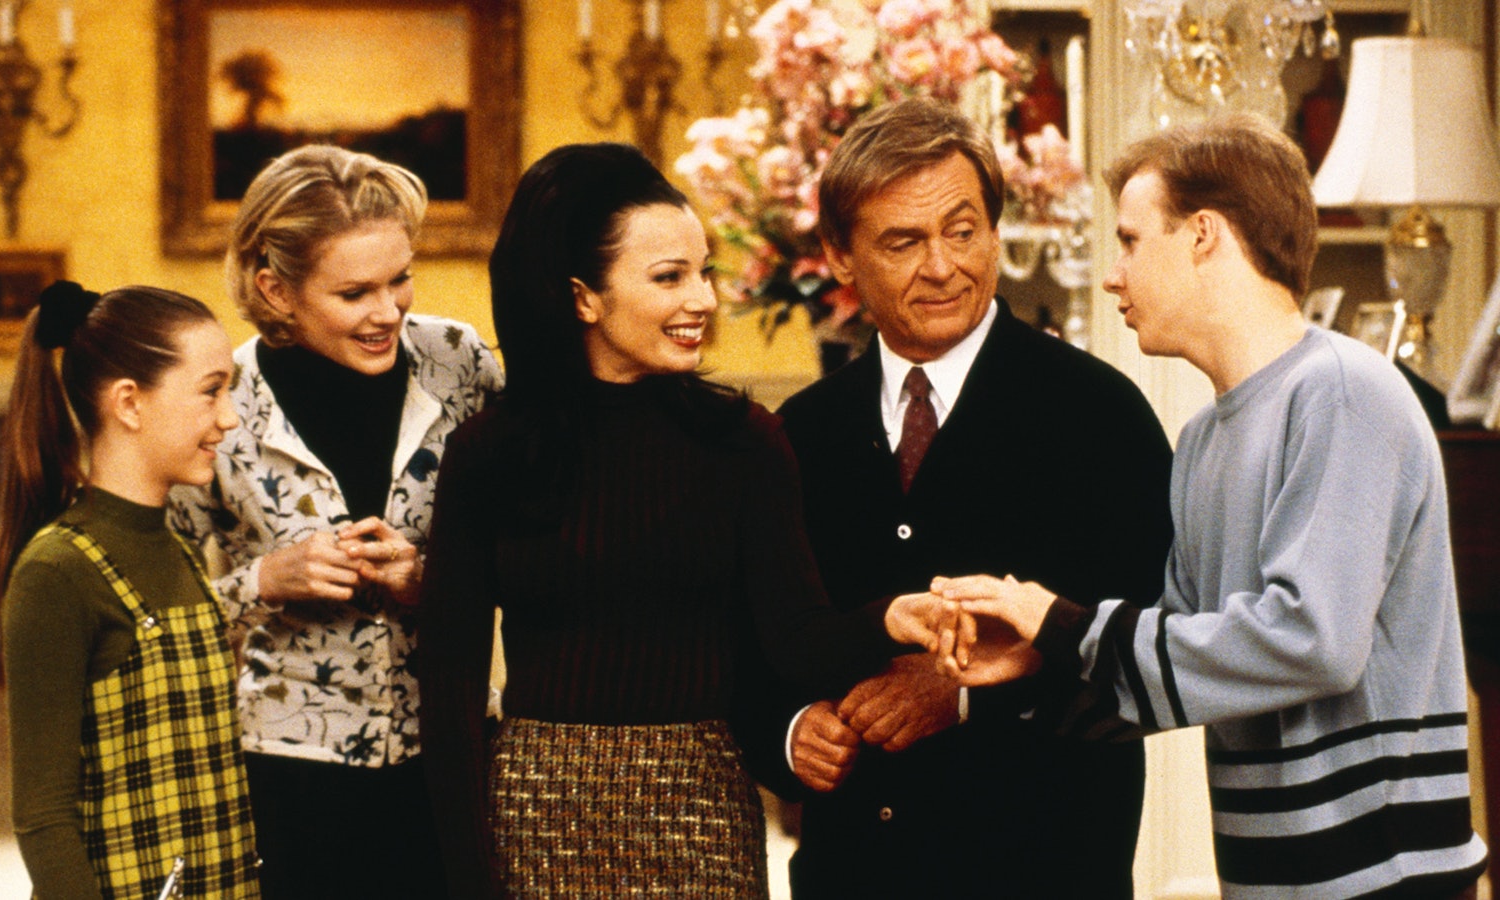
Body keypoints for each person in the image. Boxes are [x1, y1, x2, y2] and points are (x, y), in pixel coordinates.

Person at [915, 114, 1489, 898]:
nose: (1113, 275)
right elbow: (1191, 657)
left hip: (1383, 878)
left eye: (1130, 240)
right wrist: (1040, 665)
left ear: (1204, 236)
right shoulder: (1201, 440)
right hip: (1270, 880)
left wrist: (1065, 624)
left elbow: (1314, 641)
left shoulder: (1344, 390)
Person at [418, 142, 921, 898]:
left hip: (700, 811)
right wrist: (469, 883)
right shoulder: (488, 453)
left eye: (704, 272)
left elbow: (798, 640)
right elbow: (449, 686)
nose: (704, 300)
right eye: (670, 277)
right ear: (584, 297)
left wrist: (894, 617)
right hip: (535, 815)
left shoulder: (747, 442)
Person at [737, 97, 1176, 898]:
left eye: (963, 230)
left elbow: (1156, 646)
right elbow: (747, 650)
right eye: (904, 242)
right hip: (850, 878)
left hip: (1047, 875)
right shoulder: (793, 436)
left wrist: (970, 699)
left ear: (996, 232)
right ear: (839, 256)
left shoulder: (1099, 415)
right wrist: (790, 733)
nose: (943, 267)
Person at [168, 144, 502, 898]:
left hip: (453, 756)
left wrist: (431, 579)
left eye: (400, 278)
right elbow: (158, 615)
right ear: (275, 290)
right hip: (287, 778)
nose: (388, 311)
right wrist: (263, 580)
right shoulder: (223, 401)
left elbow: (538, 546)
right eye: (355, 293)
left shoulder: (461, 363)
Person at [0, 281, 258, 899]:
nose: (229, 417)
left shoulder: (181, 553)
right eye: (211, 391)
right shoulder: (58, 571)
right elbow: (43, 818)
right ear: (130, 403)